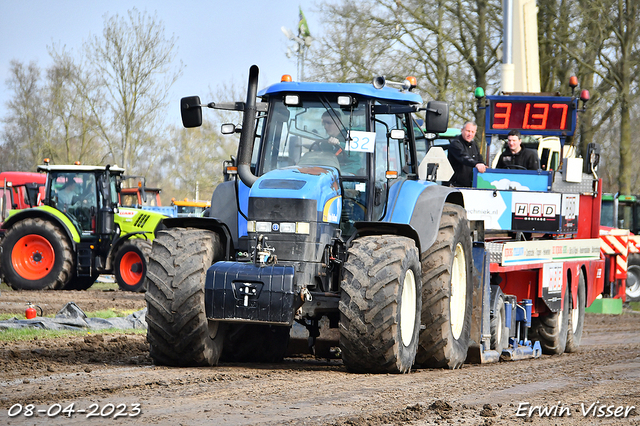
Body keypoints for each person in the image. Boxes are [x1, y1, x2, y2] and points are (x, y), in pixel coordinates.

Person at [447, 121, 487, 187]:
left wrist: (483, 165)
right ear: (462, 130)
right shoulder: (455, 144)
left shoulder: (474, 145)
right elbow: (463, 157)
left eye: (472, 132)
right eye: (468, 131)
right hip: (455, 186)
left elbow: (479, 159)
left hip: (471, 185)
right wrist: (476, 164)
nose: (470, 134)